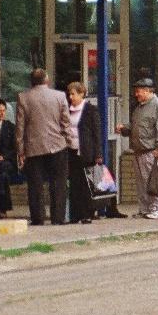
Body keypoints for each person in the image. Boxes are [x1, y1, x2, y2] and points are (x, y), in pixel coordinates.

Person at [15, 69, 71, 225]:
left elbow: (20, 126)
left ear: (31, 82)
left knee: (35, 184)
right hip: (57, 145)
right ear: (47, 80)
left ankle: (38, 218)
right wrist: (70, 142)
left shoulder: (23, 97)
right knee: (58, 183)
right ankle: (58, 218)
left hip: (33, 147)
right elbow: (65, 122)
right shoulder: (59, 96)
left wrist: (20, 150)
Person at [116, 78, 158, 219]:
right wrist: (125, 129)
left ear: (147, 91)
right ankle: (145, 209)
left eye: (138, 91)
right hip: (139, 151)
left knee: (152, 181)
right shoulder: (140, 107)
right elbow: (137, 127)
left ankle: (156, 209)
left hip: (151, 151)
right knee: (141, 183)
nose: (136, 94)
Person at [65, 82, 101, 224]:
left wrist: (98, 153)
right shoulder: (67, 109)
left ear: (81, 94)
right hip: (71, 150)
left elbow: (96, 133)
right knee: (74, 183)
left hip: (85, 151)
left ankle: (87, 213)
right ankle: (75, 215)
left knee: (86, 184)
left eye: (73, 94)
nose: (71, 97)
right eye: (69, 94)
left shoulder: (90, 110)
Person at [0, 98, 16, 218]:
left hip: (6, 161)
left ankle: (2, 207)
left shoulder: (10, 127)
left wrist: (3, 156)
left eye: (3, 110)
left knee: (2, 172)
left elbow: (14, 148)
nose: (2, 113)